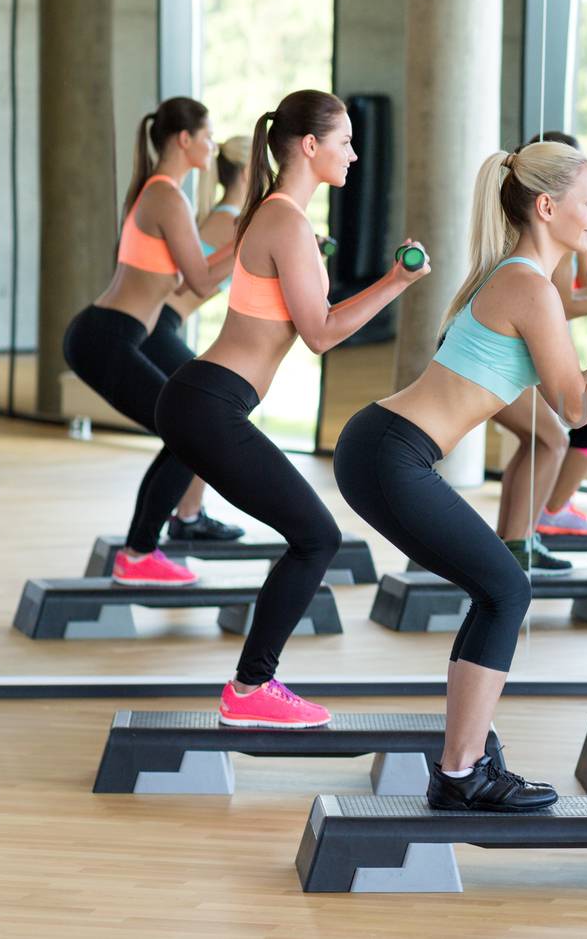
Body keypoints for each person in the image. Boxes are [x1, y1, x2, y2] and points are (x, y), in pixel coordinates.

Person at [335, 142, 587, 809]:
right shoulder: (526, 283)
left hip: (387, 448)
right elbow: (578, 405)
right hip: (390, 452)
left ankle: (464, 757)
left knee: (497, 588)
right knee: (505, 588)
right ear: (547, 205)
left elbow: (573, 391)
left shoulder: (528, 278)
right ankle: (462, 770)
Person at [154, 89, 429, 728]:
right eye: (345, 142)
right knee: (316, 536)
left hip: (207, 399)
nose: (355, 155)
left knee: (310, 534)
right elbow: (322, 333)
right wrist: (395, 282)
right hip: (209, 401)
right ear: (311, 146)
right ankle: (252, 687)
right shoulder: (284, 220)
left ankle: (249, 681)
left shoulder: (280, 216)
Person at [62, 98, 236, 584]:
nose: (212, 144)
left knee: (190, 427)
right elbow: (200, 282)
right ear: (184, 140)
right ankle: (139, 554)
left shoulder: (164, 193)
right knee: (190, 432)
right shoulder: (166, 195)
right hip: (105, 337)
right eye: (207, 134)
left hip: (120, 334)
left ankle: (144, 549)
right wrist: (250, 239)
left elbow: (182, 286)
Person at [491, 132, 587, 568]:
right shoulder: (532, 268)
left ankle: (515, 542)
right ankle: (529, 532)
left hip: (506, 355)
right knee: (553, 437)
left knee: (544, 438)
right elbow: (565, 304)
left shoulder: (543, 244)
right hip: (398, 449)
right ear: (546, 201)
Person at [142, 134, 253, 543]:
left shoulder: (230, 218)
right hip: (159, 324)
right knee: (201, 415)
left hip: (164, 322)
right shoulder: (230, 221)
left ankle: (188, 512)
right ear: (247, 172)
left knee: (197, 418)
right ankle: (187, 516)